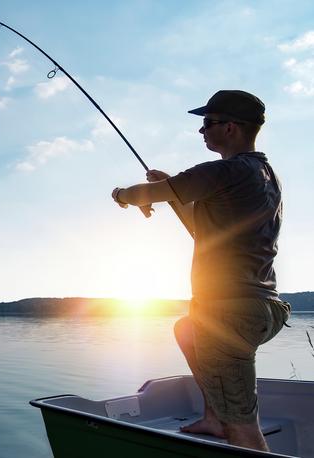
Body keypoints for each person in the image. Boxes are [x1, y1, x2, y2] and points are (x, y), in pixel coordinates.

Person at [109, 90, 290, 452]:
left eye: (207, 123)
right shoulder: (263, 174)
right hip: (264, 309)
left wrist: (123, 194)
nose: (202, 131)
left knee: (245, 431)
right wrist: (170, 191)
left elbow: (141, 193)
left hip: (229, 312)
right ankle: (213, 417)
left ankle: (230, 425)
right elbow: (199, 225)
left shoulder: (223, 171)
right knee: (188, 329)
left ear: (231, 128)